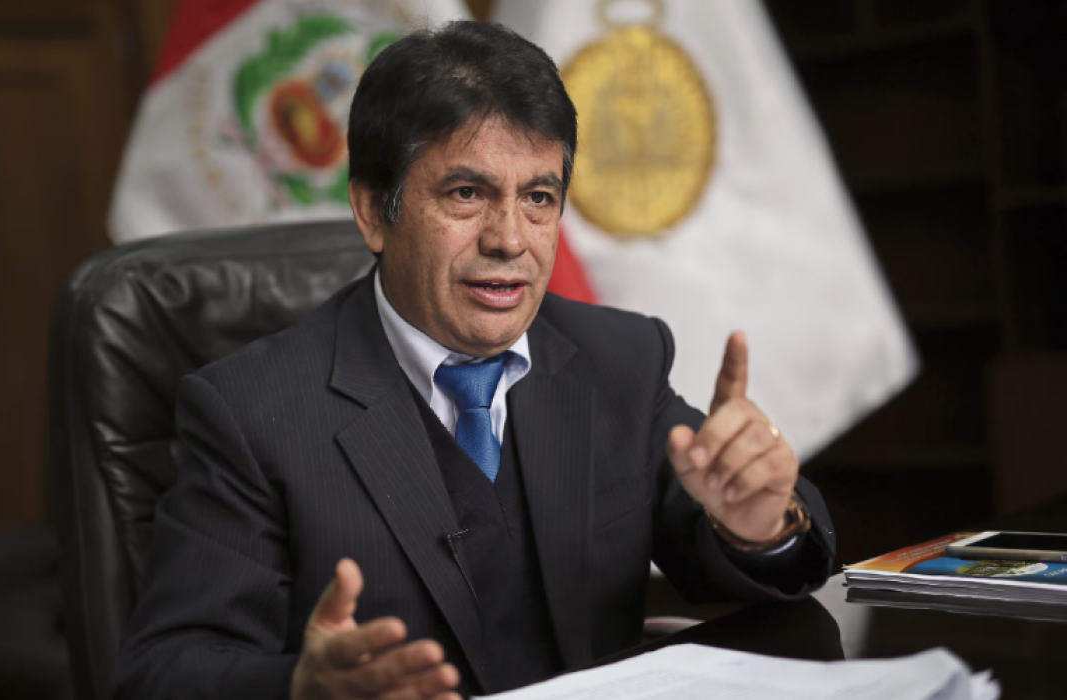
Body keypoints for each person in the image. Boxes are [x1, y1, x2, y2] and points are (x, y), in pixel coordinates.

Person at [112, 20, 835, 700]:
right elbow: (161, 669)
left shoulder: (620, 359)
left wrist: (758, 528)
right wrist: (301, 687)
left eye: (539, 197)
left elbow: (740, 544)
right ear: (373, 211)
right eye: (467, 193)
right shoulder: (251, 412)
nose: (510, 239)